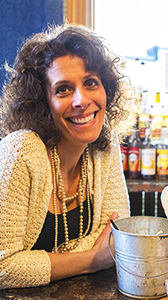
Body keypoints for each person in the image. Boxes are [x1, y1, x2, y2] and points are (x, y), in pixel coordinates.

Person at [0, 23, 135, 289]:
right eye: (63, 89)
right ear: (42, 103)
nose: (81, 100)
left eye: (91, 83)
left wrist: (33, 263)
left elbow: (118, 237)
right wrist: (92, 259)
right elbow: (3, 267)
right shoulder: (20, 152)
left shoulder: (105, 143)